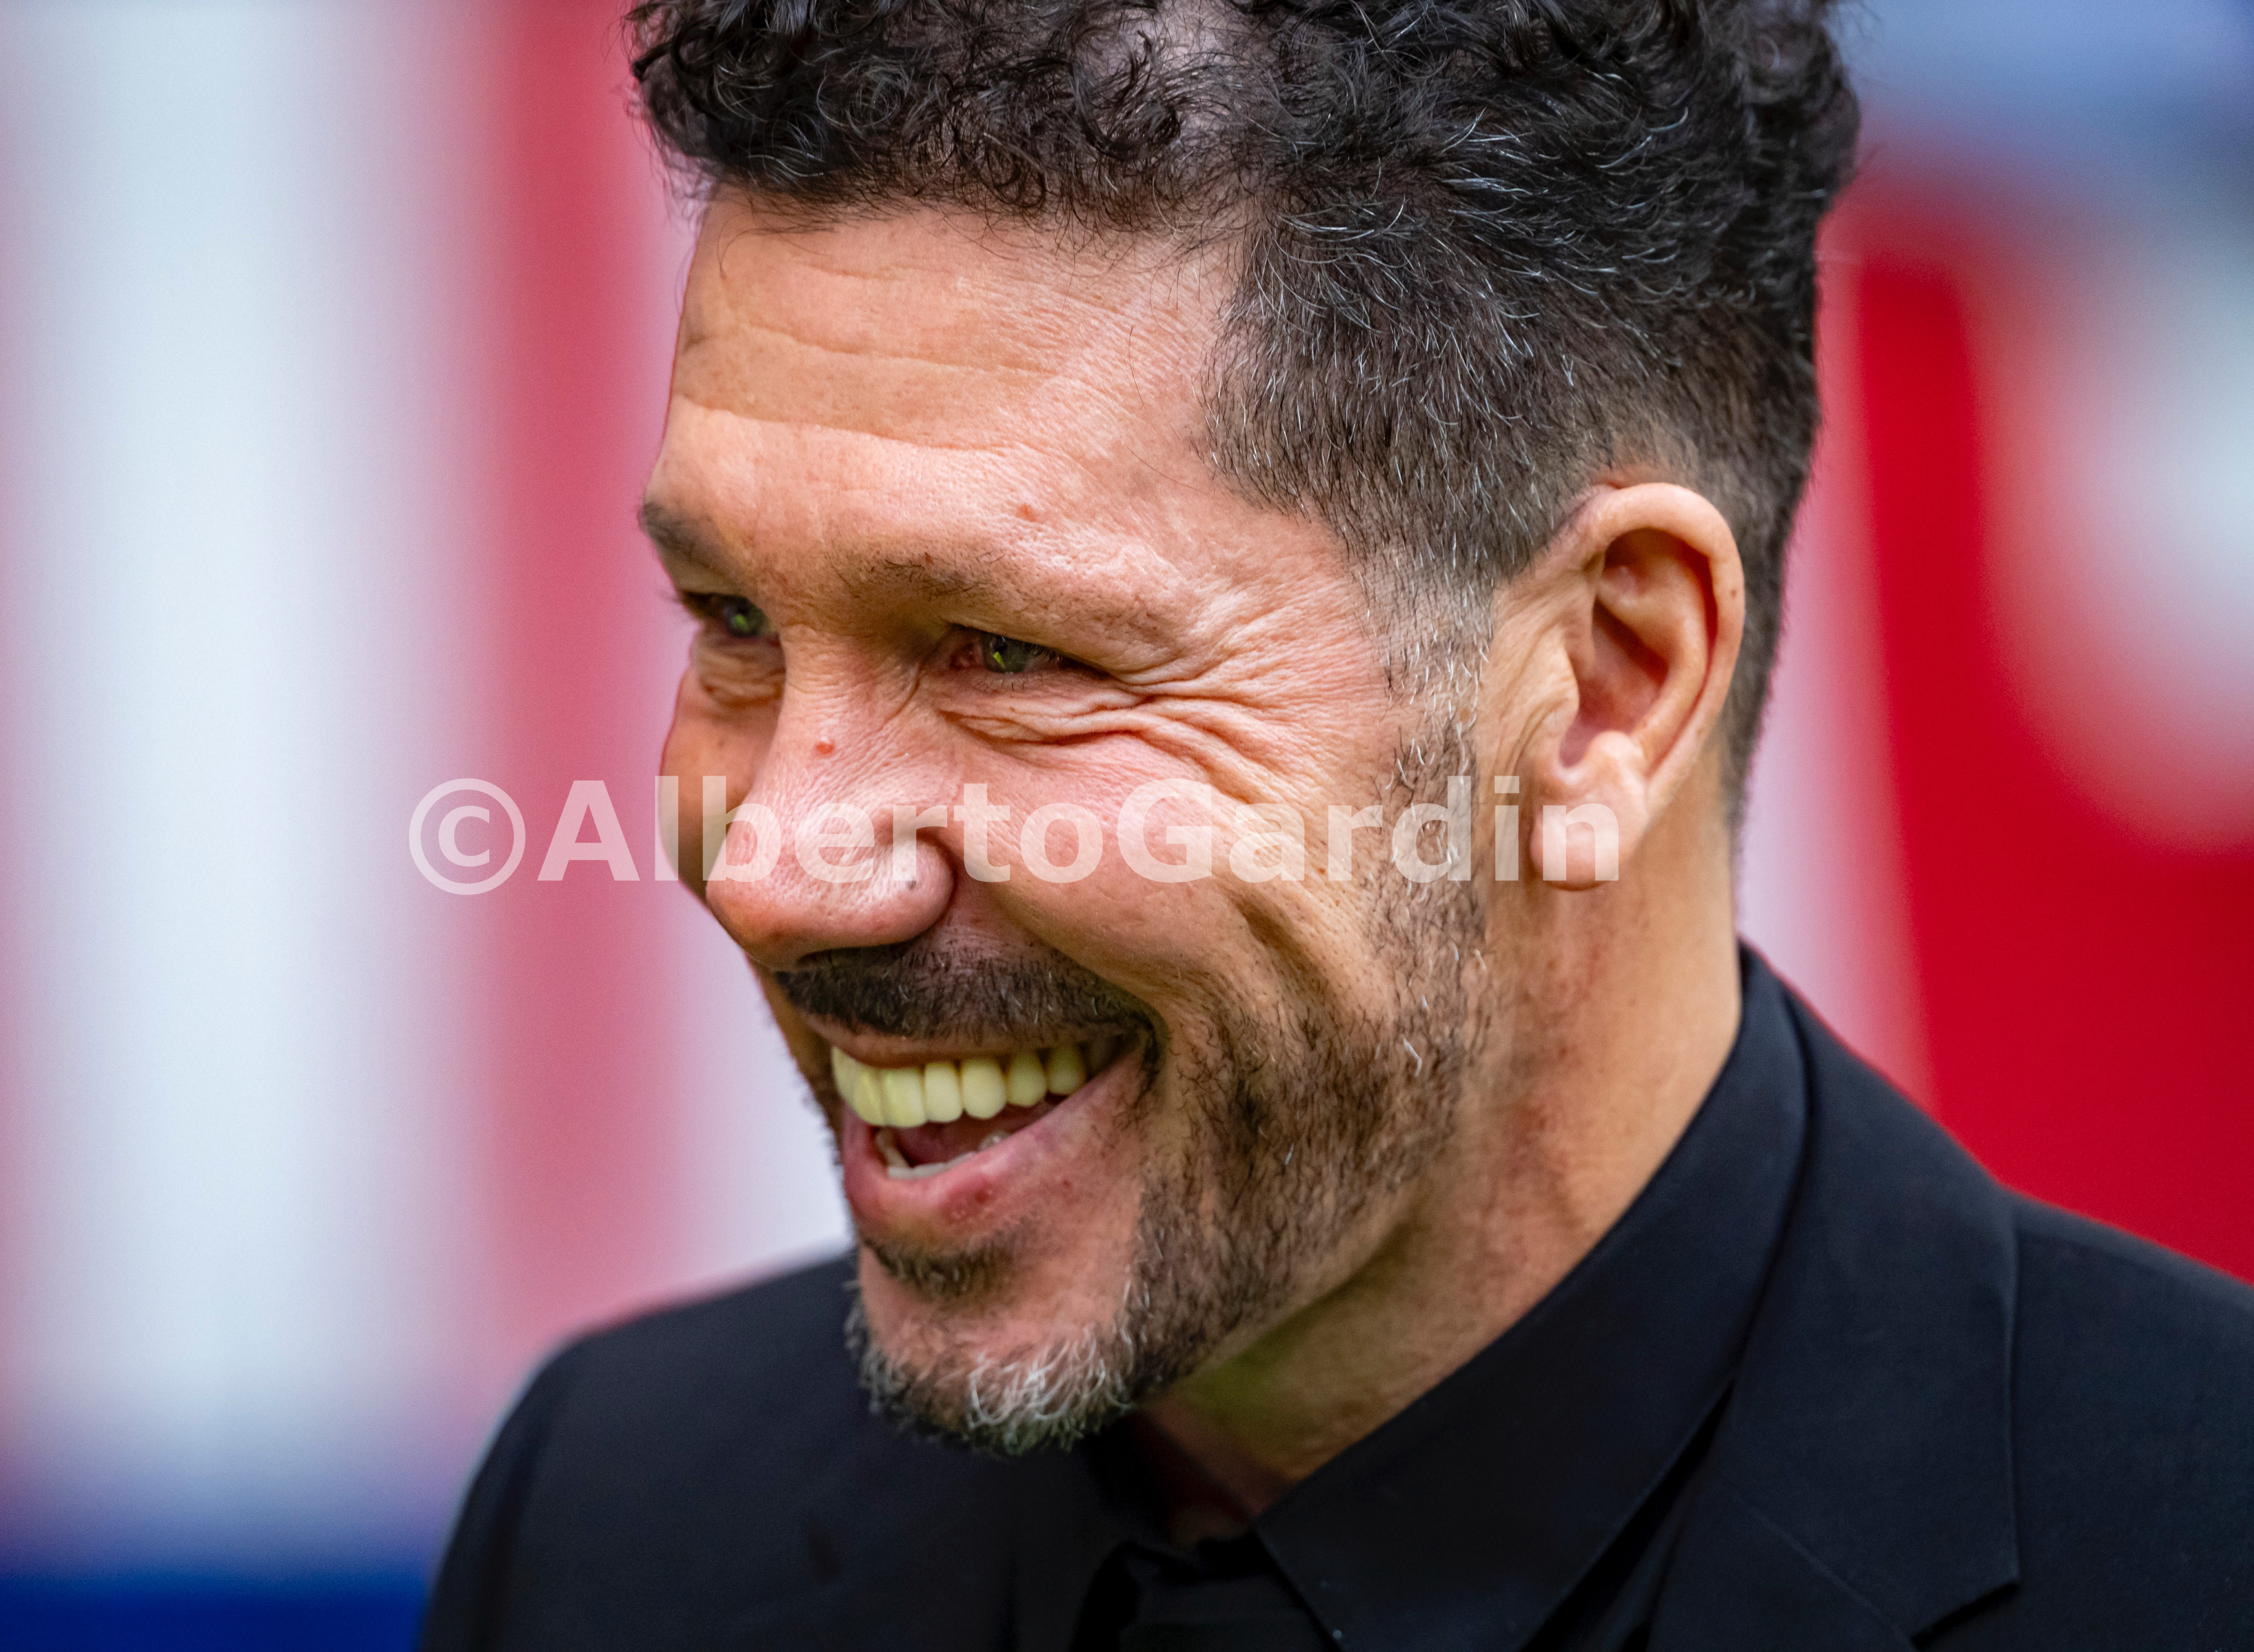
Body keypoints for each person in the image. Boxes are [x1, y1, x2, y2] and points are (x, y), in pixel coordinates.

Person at [423, 3, 2254, 1647]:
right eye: (733, 621)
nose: (772, 866)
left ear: (1607, 681)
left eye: (1011, 653)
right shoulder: (614, 1525)